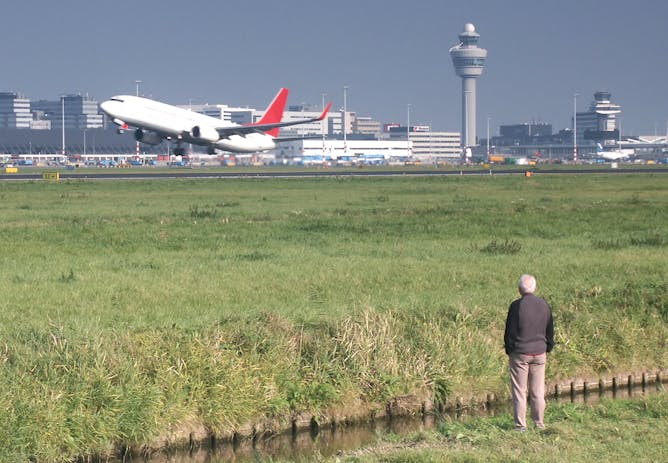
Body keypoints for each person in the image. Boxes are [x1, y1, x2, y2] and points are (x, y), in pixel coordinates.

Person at [504, 274, 554, 431]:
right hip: (539, 352)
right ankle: (539, 423)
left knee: (520, 390)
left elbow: (510, 332)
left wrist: (509, 349)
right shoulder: (544, 305)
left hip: (520, 353)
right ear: (535, 288)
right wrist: (548, 347)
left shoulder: (516, 306)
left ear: (519, 289)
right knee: (538, 390)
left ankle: (521, 426)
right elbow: (550, 330)